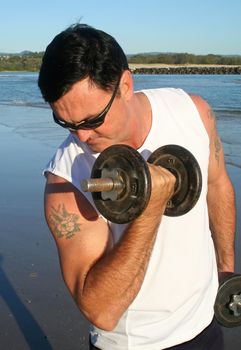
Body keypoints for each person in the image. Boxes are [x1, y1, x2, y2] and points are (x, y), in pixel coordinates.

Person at [38, 24, 236, 350]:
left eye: (92, 120)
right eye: (67, 124)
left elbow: (217, 186)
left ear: (125, 86)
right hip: (136, 343)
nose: (82, 138)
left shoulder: (193, 113)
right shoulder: (66, 182)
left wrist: (226, 271)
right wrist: (149, 211)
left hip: (203, 323)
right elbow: (101, 311)